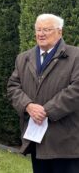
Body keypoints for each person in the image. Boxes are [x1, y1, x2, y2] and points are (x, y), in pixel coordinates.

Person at [7, 14, 79, 173]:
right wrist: (28, 105)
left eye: (46, 29)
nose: (41, 34)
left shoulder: (75, 56)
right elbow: (13, 87)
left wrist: (47, 110)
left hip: (65, 141)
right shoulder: (23, 58)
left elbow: (76, 90)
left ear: (60, 32)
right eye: (38, 29)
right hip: (37, 140)